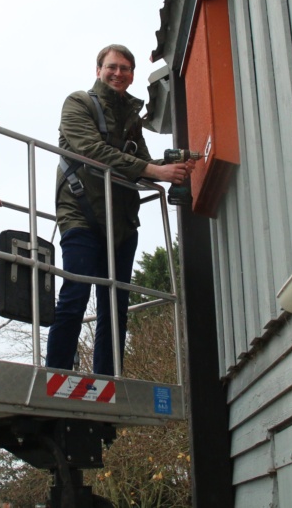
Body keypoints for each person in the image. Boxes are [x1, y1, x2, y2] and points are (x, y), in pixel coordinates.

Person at [45, 44, 194, 376]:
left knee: (117, 306)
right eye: (112, 66)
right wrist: (156, 172)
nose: (118, 73)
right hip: (80, 211)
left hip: (121, 219)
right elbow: (92, 150)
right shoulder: (78, 103)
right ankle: (55, 374)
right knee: (75, 294)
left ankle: (108, 379)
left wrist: (171, 167)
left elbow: (139, 163)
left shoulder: (130, 117)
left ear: (132, 75)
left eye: (126, 68)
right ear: (98, 69)